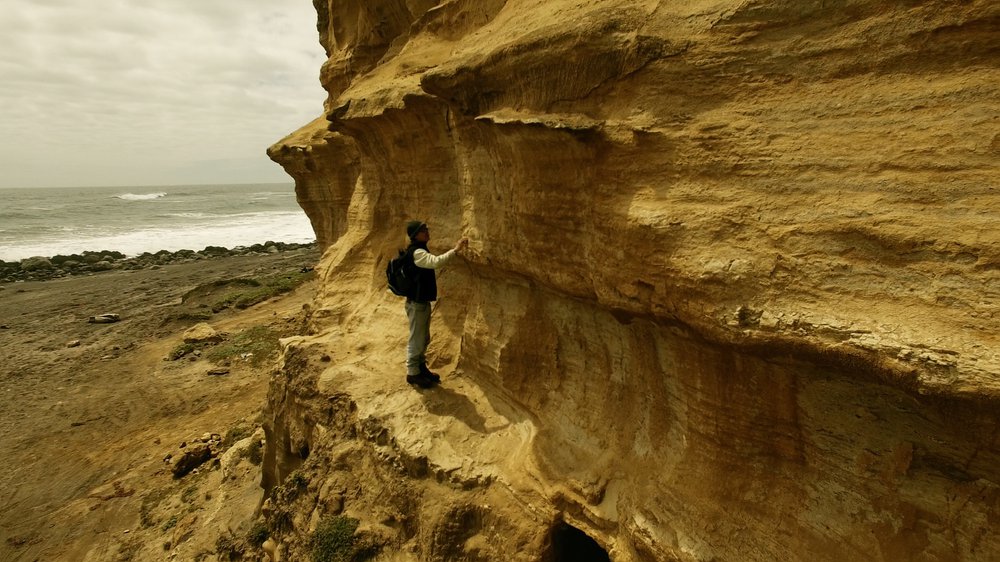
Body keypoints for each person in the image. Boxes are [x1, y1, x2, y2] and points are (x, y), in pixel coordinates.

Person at [402, 220, 468, 388]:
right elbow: (435, 262)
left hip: (420, 302)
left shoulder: (419, 249)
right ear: (416, 235)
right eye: (424, 230)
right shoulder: (416, 252)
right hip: (416, 304)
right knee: (416, 339)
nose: (427, 231)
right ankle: (412, 373)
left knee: (423, 338)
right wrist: (456, 250)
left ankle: (421, 367)